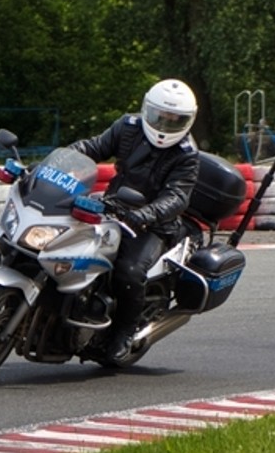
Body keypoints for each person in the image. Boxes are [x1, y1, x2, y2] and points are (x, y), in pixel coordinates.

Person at [65, 79, 201, 358]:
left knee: (129, 271)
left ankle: (123, 332)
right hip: (112, 205)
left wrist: (145, 215)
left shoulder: (187, 155)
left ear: (188, 120)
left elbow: (177, 197)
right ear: (146, 109)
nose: (165, 124)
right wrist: (60, 160)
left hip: (154, 225)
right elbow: (92, 148)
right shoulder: (127, 128)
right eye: (160, 116)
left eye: (175, 120)